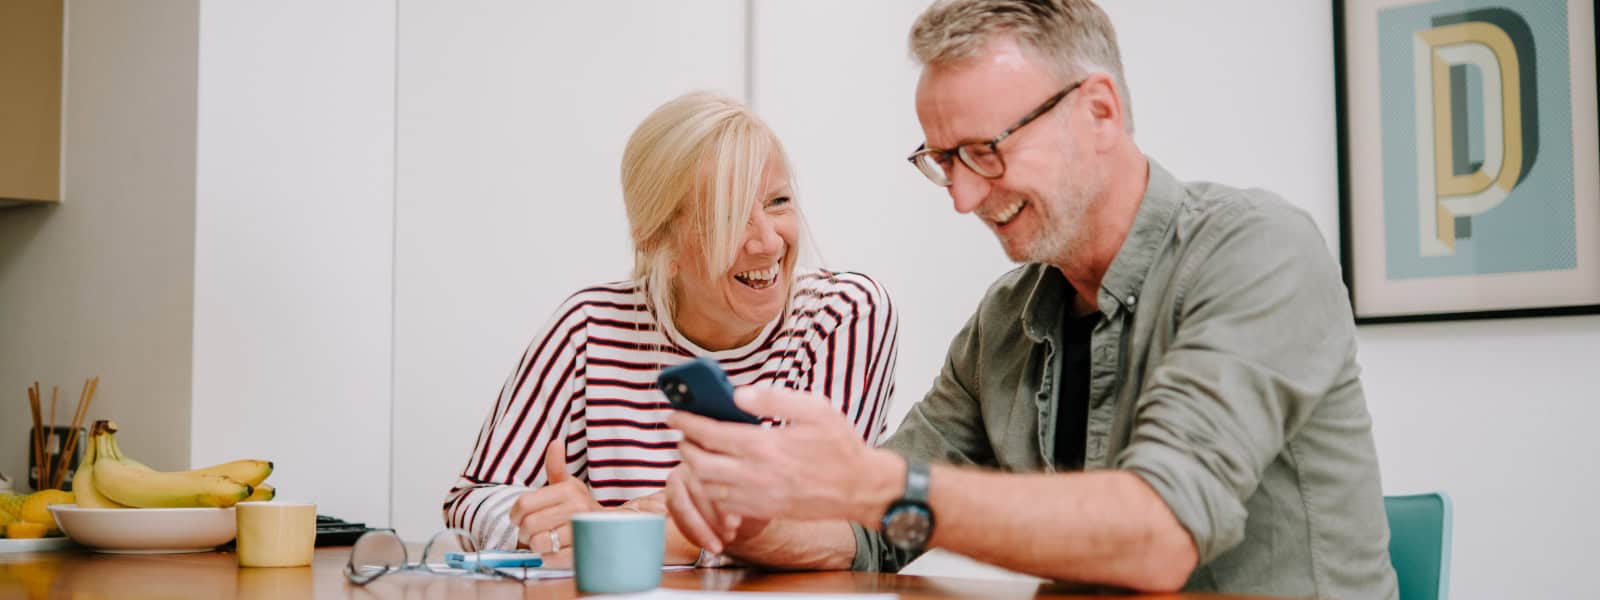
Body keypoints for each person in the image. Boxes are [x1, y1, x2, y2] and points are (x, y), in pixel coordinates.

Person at [661, 1, 1398, 597]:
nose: (963, 197)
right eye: (943, 161)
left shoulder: (1259, 251)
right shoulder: (1005, 321)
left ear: (1099, 112)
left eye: (985, 150)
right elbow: (877, 529)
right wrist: (754, 521)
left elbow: (1159, 534)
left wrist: (867, 481)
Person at [445, 91, 899, 566]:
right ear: (658, 239)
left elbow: (818, 527)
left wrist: (615, 529)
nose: (767, 242)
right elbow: (471, 501)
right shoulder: (590, 326)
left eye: (778, 202)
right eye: (727, 215)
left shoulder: (844, 314)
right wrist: (546, 523)